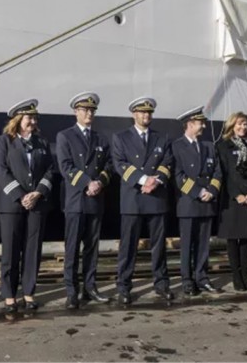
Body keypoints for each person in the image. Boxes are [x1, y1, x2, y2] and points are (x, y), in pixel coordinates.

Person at [0, 99, 55, 317]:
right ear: (18, 120)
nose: (33, 121)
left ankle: (29, 292)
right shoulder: (4, 141)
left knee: (32, 250)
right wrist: (21, 196)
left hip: (37, 203)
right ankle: (9, 294)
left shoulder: (42, 143)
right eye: (29, 117)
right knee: (10, 250)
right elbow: (0, 170)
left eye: (34, 118)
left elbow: (50, 170)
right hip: (11, 204)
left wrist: (38, 193)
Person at [113, 97, 175, 304]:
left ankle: (161, 283)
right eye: (141, 112)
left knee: (159, 246)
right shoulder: (120, 138)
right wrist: (143, 180)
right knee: (128, 246)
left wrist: (155, 181)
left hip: (156, 197)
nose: (145, 116)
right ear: (134, 114)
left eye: (148, 113)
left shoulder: (162, 138)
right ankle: (124, 286)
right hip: (133, 198)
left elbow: (167, 162)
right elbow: (120, 163)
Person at [56, 92, 113, 309]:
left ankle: (90, 287)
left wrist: (99, 182)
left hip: (95, 200)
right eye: (84, 110)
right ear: (75, 112)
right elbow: (65, 166)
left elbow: (108, 167)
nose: (89, 113)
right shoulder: (65, 136)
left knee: (92, 247)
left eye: (92, 110)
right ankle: (72, 291)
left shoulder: (101, 139)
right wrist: (88, 182)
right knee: (72, 248)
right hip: (75, 200)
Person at [171, 106, 223, 296]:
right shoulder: (176, 147)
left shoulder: (209, 146)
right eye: (200, 123)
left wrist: (211, 190)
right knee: (187, 245)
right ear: (190, 124)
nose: (203, 126)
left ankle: (202, 277)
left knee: (203, 245)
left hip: (207, 202)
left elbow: (217, 171)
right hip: (189, 203)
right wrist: (198, 192)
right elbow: (178, 176)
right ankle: (187, 280)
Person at [215, 112, 247, 292]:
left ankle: (246, 276)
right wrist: (237, 195)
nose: (243, 128)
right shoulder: (223, 146)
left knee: (246, 240)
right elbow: (224, 174)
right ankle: (236, 276)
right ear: (232, 125)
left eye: (245, 125)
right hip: (232, 201)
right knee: (233, 240)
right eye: (240, 124)